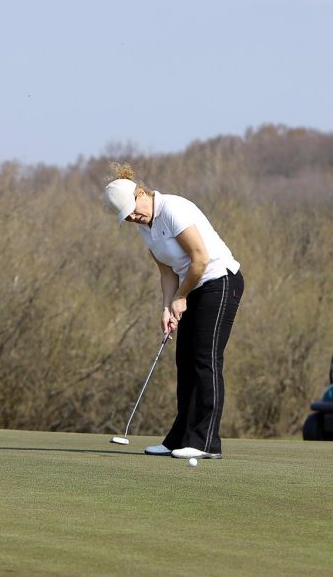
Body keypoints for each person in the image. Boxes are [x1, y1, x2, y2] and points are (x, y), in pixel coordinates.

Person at [103, 164, 244, 459]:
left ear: (141, 193)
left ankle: (206, 443)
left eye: (133, 210)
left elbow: (200, 259)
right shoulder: (145, 228)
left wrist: (181, 297)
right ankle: (179, 439)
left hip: (220, 281)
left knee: (205, 360)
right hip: (191, 288)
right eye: (126, 217)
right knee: (185, 362)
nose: (132, 217)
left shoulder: (172, 209)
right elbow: (167, 273)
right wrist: (168, 307)